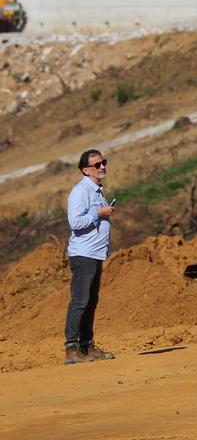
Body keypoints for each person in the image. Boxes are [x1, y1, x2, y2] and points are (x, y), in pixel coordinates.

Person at [65, 148, 115, 365]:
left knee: (91, 301)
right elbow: (75, 223)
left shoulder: (96, 191)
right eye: (97, 165)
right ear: (86, 170)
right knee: (80, 301)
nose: (102, 166)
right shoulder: (81, 191)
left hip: (95, 254)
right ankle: (72, 349)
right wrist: (99, 213)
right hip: (83, 254)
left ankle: (86, 345)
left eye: (103, 162)